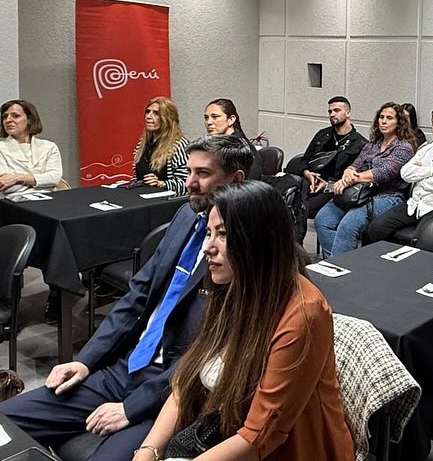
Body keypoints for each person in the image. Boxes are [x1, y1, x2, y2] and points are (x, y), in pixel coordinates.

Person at [0, 135, 254, 461]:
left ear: (235, 180)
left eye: (202, 174)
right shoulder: (185, 217)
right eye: (189, 171)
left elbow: (204, 358)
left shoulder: (246, 251)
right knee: (7, 423)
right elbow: (138, 295)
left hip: (170, 396)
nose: (189, 183)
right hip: (125, 367)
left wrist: (131, 408)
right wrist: (85, 359)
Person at [135, 181, 354, 461]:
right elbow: (186, 381)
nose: (207, 248)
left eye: (223, 235)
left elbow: (258, 436)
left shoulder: (304, 314)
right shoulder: (229, 285)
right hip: (223, 431)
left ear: (257, 240)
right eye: (209, 233)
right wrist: (149, 450)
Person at [315, 102, 416, 258]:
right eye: (381, 117)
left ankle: (341, 270)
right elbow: (356, 163)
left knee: (348, 225)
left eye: (389, 118)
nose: (383, 121)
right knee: (323, 220)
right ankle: (336, 262)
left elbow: (384, 172)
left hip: (387, 196)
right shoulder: (372, 145)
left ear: (399, 122)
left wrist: (351, 179)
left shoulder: (404, 147)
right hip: (358, 192)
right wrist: (347, 173)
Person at [365, 108, 433, 243]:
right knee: (376, 228)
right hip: (415, 204)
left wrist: (419, 179)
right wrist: (431, 171)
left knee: (420, 239)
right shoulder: (427, 149)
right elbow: (404, 172)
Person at [286, 97, 367, 217]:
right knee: (286, 203)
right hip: (310, 182)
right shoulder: (322, 135)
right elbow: (305, 159)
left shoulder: (360, 143)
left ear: (348, 113)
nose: (332, 114)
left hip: (333, 188)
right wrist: (307, 173)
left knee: (304, 210)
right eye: (330, 111)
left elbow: (354, 177)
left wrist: (329, 185)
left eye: (336, 110)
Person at [0, 99, 62, 198]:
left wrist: (17, 178)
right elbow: (6, 186)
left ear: (29, 119)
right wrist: (41, 180)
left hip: (50, 199)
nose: (8, 120)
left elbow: (54, 178)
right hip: (15, 203)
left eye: (15, 116)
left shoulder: (49, 147)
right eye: (5, 117)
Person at [133, 97, 189, 195]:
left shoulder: (179, 145)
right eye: (147, 112)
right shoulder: (142, 145)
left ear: (168, 118)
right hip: (142, 200)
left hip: (167, 204)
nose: (149, 116)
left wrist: (161, 183)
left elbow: (187, 184)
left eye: (156, 113)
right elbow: (136, 177)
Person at [203, 98, 262, 181]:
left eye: (215, 117)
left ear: (231, 120)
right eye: (206, 117)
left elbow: (253, 177)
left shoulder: (240, 145)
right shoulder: (217, 144)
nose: (209, 122)